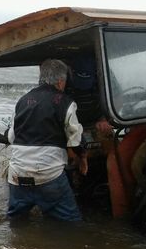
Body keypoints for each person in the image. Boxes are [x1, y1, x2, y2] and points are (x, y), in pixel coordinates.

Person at [6, 59, 88, 222]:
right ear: (60, 81)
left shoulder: (23, 100)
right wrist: (83, 158)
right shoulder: (65, 102)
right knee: (71, 222)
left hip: (17, 175)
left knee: (16, 222)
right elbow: (75, 141)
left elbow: (11, 137)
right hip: (49, 175)